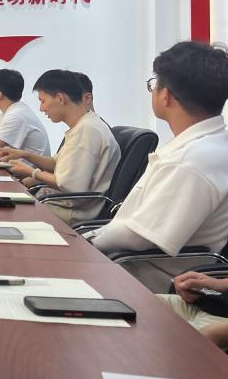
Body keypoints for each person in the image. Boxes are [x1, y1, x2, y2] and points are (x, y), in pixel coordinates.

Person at [89, 42, 228, 256]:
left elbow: (137, 237)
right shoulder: (212, 144)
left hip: (143, 269)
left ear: (166, 96)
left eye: (154, 84)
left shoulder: (189, 161)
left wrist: (87, 241)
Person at [3, 69, 120, 224]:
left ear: (60, 98)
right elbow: (55, 163)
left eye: (43, 101)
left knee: (4, 213)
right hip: (58, 204)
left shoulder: (87, 130)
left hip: (70, 212)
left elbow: (67, 184)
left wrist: (30, 172)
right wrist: (25, 155)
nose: (41, 108)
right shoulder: (85, 125)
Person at [157, 271, 228, 349]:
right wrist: (217, 283)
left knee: (172, 342)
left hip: (221, 321)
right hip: (213, 301)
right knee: (152, 302)